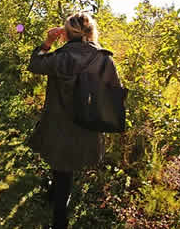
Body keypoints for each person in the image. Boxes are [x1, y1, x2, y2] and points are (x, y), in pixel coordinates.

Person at [27, 12, 122, 229]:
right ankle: (54, 194)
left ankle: (59, 222)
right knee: (65, 169)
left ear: (65, 34)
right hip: (87, 123)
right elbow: (113, 91)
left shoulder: (60, 57)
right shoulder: (104, 58)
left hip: (60, 125)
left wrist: (47, 42)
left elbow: (35, 64)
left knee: (63, 169)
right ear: (90, 32)